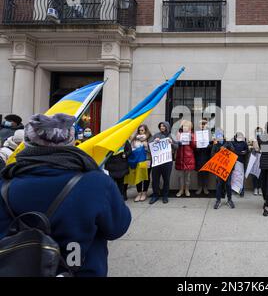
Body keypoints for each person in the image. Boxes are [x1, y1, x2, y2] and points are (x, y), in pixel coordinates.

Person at [0, 113, 131, 276]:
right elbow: (117, 227)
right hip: (80, 270)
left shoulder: (5, 182)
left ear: (27, 143)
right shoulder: (96, 182)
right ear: (71, 141)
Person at [149, 122, 177, 204]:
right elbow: (149, 145)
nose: (162, 127)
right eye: (161, 126)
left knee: (166, 179)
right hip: (157, 162)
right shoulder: (156, 135)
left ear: (167, 127)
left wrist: (172, 143)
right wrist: (154, 141)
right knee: (155, 179)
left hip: (167, 161)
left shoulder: (171, 136)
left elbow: (177, 146)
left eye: (163, 126)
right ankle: (155, 195)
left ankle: (165, 196)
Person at [212, 129, 235, 209]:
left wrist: (225, 147)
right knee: (219, 184)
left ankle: (229, 199)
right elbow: (212, 155)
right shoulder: (215, 144)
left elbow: (233, 151)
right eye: (218, 135)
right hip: (219, 167)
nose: (219, 136)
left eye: (220, 135)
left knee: (228, 184)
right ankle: (218, 200)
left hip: (228, 167)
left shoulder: (228, 142)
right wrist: (219, 150)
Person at [129, 125, 152, 202]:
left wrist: (147, 146)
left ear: (146, 130)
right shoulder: (135, 139)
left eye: (142, 130)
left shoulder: (149, 138)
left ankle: (144, 193)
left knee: (146, 176)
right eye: (139, 130)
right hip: (137, 160)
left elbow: (153, 150)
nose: (141, 132)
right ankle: (139, 193)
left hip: (147, 160)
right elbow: (131, 149)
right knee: (138, 176)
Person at [175, 120, 196, 197]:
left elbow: (194, 146)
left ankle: (187, 189)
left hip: (189, 158)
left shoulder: (192, 134)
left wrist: (191, 139)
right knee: (180, 176)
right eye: (184, 126)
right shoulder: (179, 134)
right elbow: (175, 145)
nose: (185, 128)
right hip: (180, 158)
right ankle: (181, 189)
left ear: (190, 127)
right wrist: (178, 141)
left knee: (187, 176)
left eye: (187, 126)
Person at [194, 119, 211, 196]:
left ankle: (205, 188)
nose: (203, 125)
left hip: (207, 156)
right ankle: (200, 187)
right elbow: (193, 144)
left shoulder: (210, 134)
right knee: (199, 173)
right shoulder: (196, 134)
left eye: (204, 124)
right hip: (199, 156)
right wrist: (196, 146)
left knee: (206, 173)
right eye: (201, 124)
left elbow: (213, 145)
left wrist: (209, 146)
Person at [231, 131, 249, 197]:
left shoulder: (244, 143)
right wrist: (240, 153)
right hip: (234, 162)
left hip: (241, 162)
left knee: (241, 177)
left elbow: (247, 151)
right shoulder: (232, 143)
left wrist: (241, 152)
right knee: (234, 176)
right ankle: (234, 189)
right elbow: (232, 151)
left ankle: (241, 191)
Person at [249, 127, 263, 196]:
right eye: (257, 131)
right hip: (254, 157)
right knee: (254, 173)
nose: (258, 132)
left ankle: (260, 188)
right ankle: (255, 188)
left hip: (261, 157)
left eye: (259, 131)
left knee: (260, 174)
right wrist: (252, 147)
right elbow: (250, 147)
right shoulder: (253, 139)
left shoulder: (264, 139)